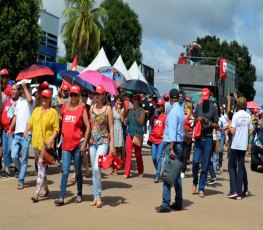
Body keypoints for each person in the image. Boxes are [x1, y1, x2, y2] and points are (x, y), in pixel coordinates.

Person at [54, 85, 90, 206]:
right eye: (71, 95)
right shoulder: (64, 107)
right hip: (66, 144)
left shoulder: (82, 108)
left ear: (79, 96)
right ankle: (61, 197)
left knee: (77, 171)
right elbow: (61, 121)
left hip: (77, 144)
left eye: (75, 95)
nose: (73, 97)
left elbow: (88, 126)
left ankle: (79, 193)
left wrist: (85, 143)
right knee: (65, 171)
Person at [24, 89, 59, 202]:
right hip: (35, 144)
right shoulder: (37, 110)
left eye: (46, 97)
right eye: (42, 97)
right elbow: (30, 122)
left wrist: (51, 140)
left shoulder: (53, 112)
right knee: (41, 169)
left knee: (41, 167)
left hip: (46, 146)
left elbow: (56, 129)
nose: (43, 99)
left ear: (50, 99)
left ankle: (36, 193)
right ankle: (46, 189)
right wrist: (26, 130)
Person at [155, 88, 185, 212]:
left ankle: (166, 203)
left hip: (173, 145)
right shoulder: (180, 110)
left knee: (167, 174)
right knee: (176, 175)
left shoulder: (173, 112)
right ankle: (178, 201)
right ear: (177, 98)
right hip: (179, 144)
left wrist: (171, 148)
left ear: (170, 99)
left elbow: (172, 132)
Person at [89, 84, 114, 208]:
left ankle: (98, 195)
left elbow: (111, 127)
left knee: (96, 167)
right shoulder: (91, 107)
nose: (97, 96)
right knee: (94, 171)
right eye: (96, 93)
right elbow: (89, 126)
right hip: (92, 143)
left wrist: (112, 145)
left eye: (100, 94)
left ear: (104, 95)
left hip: (103, 142)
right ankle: (95, 196)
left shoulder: (108, 109)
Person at [192, 88, 219, 198]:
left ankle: (201, 187)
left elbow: (217, 126)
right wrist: (196, 120)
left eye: (206, 98)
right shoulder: (198, 106)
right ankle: (194, 181)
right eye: (203, 99)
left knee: (205, 164)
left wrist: (209, 123)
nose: (205, 100)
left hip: (208, 138)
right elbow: (193, 122)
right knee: (195, 162)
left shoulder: (213, 108)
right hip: (198, 138)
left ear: (209, 96)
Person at [9, 82, 36, 189]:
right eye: (23, 88)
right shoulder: (19, 101)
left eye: (26, 88)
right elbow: (15, 116)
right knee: (13, 156)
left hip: (27, 133)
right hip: (17, 133)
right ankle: (22, 172)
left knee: (24, 159)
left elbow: (29, 100)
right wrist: (11, 128)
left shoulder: (32, 99)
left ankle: (21, 180)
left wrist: (25, 87)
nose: (24, 90)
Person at [228, 97, 253, 200]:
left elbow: (233, 131)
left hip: (235, 144)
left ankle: (233, 190)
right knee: (241, 168)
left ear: (237, 105)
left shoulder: (236, 115)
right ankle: (239, 192)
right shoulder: (248, 116)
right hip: (243, 145)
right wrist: (245, 134)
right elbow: (251, 131)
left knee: (231, 167)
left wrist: (229, 126)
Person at [123, 94, 145, 179]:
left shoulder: (141, 110)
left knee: (138, 154)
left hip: (137, 135)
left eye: (135, 99)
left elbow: (141, 122)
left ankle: (140, 170)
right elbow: (128, 120)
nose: (133, 101)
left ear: (138, 101)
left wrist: (136, 115)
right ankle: (127, 173)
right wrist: (126, 120)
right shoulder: (131, 110)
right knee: (128, 154)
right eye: (133, 99)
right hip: (130, 134)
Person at [1, 84, 20, 178]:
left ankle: (17, 168)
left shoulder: (20, 102)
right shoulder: (8, 101)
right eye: (12, 89)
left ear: (18, 91)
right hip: (5, 130)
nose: (13, 91)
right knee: (5, 150)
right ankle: (7, 169)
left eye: (15, 89)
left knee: (12, 150)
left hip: (13, 131)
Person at [148, 99, 167, 183]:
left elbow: (167, 128)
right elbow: (151, 123)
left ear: (163, 107)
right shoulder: (155, 115)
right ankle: (158, 172)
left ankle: (157, 175)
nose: (158, 107)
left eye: (160, 106)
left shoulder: (166, 117)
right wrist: (153, 114)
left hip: (161, 139)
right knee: (153, 158)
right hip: (153, 138)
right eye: (157, 106)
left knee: (159, 157)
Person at [111, 95, 125, 176]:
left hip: (119, 129)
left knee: (118, 150)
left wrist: (119, 111)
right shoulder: (112, 109)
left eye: (120, 101)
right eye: (117, 101)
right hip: (114, 129)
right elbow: (111, 120)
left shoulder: (122, 110)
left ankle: (116, 167)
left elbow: (123, 120)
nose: (119, 102)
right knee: (113, 151)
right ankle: (113, 168)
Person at [181, 102, 194, 178]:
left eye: (187, 108)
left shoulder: (192, 118)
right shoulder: (181, 116)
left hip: (187, 138)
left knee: (185, 155)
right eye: (184, 108)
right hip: (180, 137)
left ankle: (183, 170)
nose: (185, 110)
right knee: (179, 154)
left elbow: (192, 127)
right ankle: (179, 169)